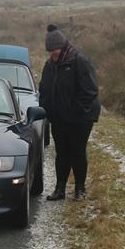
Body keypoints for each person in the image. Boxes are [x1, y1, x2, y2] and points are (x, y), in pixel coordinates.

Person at [39, 25, 100, 200]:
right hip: (58, 119)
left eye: (55, 51)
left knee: (78, 152)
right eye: (49, 52)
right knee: (62, 153)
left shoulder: (80, 61)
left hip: (81, 118)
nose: (52, 55)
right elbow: (44, 89)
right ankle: (60, 189)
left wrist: (75, 114)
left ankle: (80, 190)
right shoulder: (49, 65)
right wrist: (47, 110)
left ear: (63, 46)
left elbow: (89, 91)